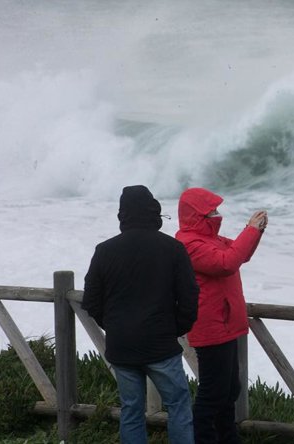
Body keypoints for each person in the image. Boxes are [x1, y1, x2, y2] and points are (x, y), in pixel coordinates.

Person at [82, 185, 199, 444]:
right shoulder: (172, 248)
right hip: (161, 344)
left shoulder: (105, 250)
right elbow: (190, 297)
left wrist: (113, 325)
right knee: (178, 406)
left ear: (122, 214)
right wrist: (175, 328)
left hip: (122, 345)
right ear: (153, 211)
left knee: (131, 410)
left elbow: (91, 300)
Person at [175, 187, 267, 444]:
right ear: (196, 216)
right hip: (211, 327)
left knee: (229, 389)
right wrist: (250, 229)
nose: (217, 215)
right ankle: (205, 439)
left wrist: (256, 231)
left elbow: (240, 254)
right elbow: (226, 263)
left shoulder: (210, 240)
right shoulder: (189, 244)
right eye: (211, 211)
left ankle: (227, 437)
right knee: (213, 393)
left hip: (226, 324)